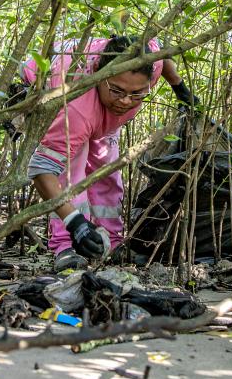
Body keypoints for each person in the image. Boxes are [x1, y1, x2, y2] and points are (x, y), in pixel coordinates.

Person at [17, 35, 197, 272]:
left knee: (108, 173)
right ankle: (66, 246)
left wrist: (181, 90)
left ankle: (110, 242)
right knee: (73, 174)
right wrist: (76, 224)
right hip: (51, 84)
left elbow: (161, 54)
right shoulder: (77, 109)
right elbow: (42, 169)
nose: (125, 101)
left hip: (99, 115)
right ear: (101, 76)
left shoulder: (148, 63)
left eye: (137, 94)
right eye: (117, 90)